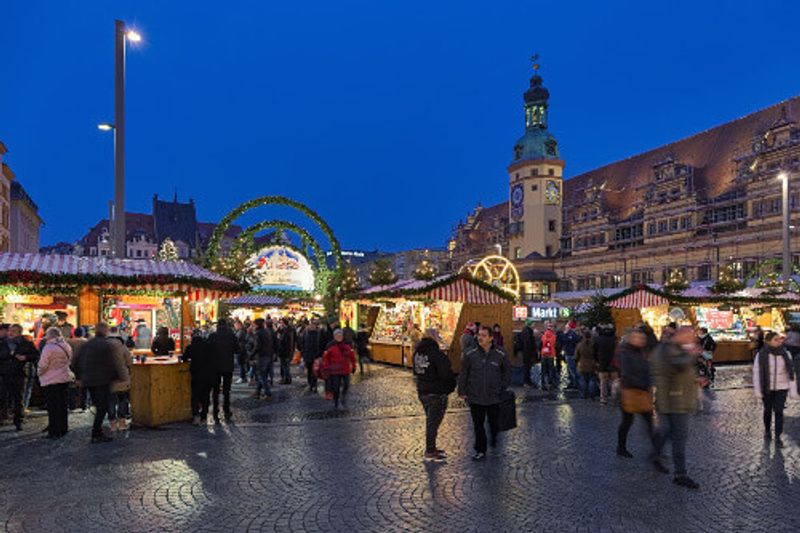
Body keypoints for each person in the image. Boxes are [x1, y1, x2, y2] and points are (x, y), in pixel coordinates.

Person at [651, 326, 701, 489]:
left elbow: (682, 372)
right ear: (680, 335)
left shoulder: (673, 348)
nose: (692, 339)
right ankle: (680, 473)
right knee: (678, 436)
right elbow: (678, 366)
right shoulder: (667, 349)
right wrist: (691, 354)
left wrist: (695, 380)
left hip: (678, 398)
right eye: (690, 336)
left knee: (670, 432)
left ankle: (656, 453)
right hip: (674, 399)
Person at [458, 325, 511, 461]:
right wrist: (462, 390)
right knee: (478, 425)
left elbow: (507, 372)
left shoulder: (501, 353)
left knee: (494, 423)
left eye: (483, 335)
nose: (480, 338)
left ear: (491, 338)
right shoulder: (470, 354)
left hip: (494, 396)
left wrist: (502, 387)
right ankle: (480, 450)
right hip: (475, 396)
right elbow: (464, 373)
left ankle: (493, 438)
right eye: (479, 335)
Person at [73, 323, 122, 443]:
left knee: (99, 406)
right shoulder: (105, 345)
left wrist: (79, 377)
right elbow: (112, 363)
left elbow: (76, 361)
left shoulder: (87, 344)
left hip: (89, 380)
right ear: (105, 331)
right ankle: (96, 433)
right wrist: (116, 377)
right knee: (102, 407)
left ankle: (97, 431)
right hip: (102, 380)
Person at [413, 329, 455, 462]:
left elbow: (415, 371)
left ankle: (432, 448)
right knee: (433, 422)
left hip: (423, 390)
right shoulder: (436, 354)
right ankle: (430, 451)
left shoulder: (417, 352)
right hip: (436, 392)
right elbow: (445, 373)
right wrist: (450, 386)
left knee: (432, 420)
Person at [753, 331, 797, 447]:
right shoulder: (761, 355)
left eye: (780, 339)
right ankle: (767, 430)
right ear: (768, 341)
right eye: (776, 340)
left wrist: (793, 390)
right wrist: (758, 390)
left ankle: (778, 437)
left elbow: (791, 373)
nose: (779, 341)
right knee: (767, 410)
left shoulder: (786, 354)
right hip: (767, 388)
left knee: (779, 411)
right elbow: (756, 373)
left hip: (782, 388)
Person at [616, 329, 654, 458]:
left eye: (642, 339)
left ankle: (656, 449)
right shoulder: (625, 352)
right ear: (631, 338)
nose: (641, 341)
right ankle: (621, 447)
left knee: (648, 421)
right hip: (629, 391)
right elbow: (627, 373)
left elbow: (646, 369)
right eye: (638, 338)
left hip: (642, 391)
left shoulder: (641, 352)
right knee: (627, 421)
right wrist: (643, 384)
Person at [0, 324, 39, 430]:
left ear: (19, 333)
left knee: (18, 398)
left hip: (18, 374)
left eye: (13, 331)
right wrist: (10, 354)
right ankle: (2, 418)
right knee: (2, 397)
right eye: (9, 330)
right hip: (3, 374)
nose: (10, 333)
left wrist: (25, 357)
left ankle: (18, 421)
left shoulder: (26, 343)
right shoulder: (2, 342)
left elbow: (35, 355)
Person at [37, 327, 73, 439]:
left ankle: (54, 431)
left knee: (53, 407)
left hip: (51, 379)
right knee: (62, 405)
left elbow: (43, 365)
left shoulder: (48, 348)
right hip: (64, 378)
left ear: (50, 335)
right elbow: (69, 360)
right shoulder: (66, 345)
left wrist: (39, 373)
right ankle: (63, 428)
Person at [208, 319, 238, 422]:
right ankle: (226, 409)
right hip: (228, 366)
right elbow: (237, 349)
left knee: (215, 390)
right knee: (226, 390)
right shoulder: (232, 336)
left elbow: (208, 349)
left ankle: (215, 410)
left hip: (215, 367)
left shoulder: (212, 336)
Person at [183, 332, 216, 425]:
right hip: (209, 376)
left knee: (195, 397)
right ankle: (204, 417)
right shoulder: (208, 347)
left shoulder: (191, 347)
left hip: (196, 376)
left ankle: (196, 416)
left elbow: (184, 358)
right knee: (205, 396)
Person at [322, 328, 356, 410]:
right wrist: (326, 367)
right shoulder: (330, 346)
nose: (339, 336)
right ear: (334, 336)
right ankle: (336, 400)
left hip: (345, 369)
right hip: (335, 370)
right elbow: (326, 358)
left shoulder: (347, 345)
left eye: (340, 335)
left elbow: (352, 357)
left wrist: (354, 366)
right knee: (336, 387)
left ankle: (343, 396)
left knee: (346, 385)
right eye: (337, 335)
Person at [107, 330, 133, 431]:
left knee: (110, 401)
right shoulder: (122, 346)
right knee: (122, 399)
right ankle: (122, 423)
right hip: (122, 377)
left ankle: (113, 424)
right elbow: (129, 361)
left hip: (108, 378)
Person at [66, 327, 89, 411]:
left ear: (74, 333)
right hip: (84, 366)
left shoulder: (69, 341)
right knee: (84, 387)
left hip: (71, 365)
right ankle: (84, 405)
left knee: (71, 386)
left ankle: (72, 405)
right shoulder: (87, 342)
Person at [594, 324, 617, 405]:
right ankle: (615, 398)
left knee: (603, 382)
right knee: (614, 382)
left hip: (602, 363)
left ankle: (603, 399)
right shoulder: (614, 339)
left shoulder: (598, 339)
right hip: (613, 363)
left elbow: (594, 352)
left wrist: (597, 361)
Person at [300, 318, 325, 391]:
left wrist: (320, 355)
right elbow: (302, 344)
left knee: (314, 371)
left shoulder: (318, 334)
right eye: (311, 325)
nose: (312, 326)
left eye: (313, 325)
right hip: (307, 355)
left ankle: (313, 384)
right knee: (309, 370)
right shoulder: (306, 333)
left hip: (315, 355)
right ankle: (310, 383)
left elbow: (321, 344)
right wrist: (303, 353)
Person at [253, 318, 274, 400]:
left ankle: (268, 393)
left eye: (254, 324)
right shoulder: (266, 331)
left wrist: (251, 355)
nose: (253, 325)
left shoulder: (258, 333)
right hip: (268, 355)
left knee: (262, 376)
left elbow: (257, 346)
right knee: (263, 375)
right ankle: (257, 392)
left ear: (257, 324)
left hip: (262, 356)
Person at [558, 323, 581, 389]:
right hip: (570, 354)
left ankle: (575, 384)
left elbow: (566, 341)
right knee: (570, 370)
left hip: (570, 354)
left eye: (566, 327)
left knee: (572, 370)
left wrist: (564, 335)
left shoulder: (571, 335)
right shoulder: (572, 334)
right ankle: (572, 383)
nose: (565, 328)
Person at [575, 330, 597, 399]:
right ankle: (592, 395)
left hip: (582, 365)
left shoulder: (579, 345)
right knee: (592, 380)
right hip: (592, 365)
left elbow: (576, 356)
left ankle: (583, 395)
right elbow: (596, 355)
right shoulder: (593, 345)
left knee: (583, 380)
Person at [520, 319, 539, 388]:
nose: (534, 325)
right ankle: (527, 382)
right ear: (530, 324)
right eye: (533, 323)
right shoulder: (528, 332)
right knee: (527, 368)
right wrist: (532, 354)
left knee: (527, 368)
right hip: (528, 354)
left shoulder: (525, 331)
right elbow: (528, 344)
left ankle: (528, 382)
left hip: (526, 353)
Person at [277, 318, 296, 385]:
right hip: (287, 351)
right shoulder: (289, 330)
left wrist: (279, 338)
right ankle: (286, 379)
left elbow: (284, 341)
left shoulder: (287, 331)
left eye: (281, 322)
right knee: (285, 366)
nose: (280, 324)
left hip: (285, 351)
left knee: (285, 366)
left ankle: (286, 379)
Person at [539, 323, 558, 390]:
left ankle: (542, 382)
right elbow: (555, 345)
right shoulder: (553, 336)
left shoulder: (543, 336)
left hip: (544, 354)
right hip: (551, 355)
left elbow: (540, 345)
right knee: (550, 369)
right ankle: (550, 383)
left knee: (543, 369)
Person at [234, 319, 249, 384]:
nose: (235, 327)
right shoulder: (242, 331)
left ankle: (242, 377)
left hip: (240, 350)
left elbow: (237, 340)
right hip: (242, 350)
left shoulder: (241, 332)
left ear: (239, 325)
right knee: (242, 364)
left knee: (241, 364)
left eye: (235, 325)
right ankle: (243, 377)